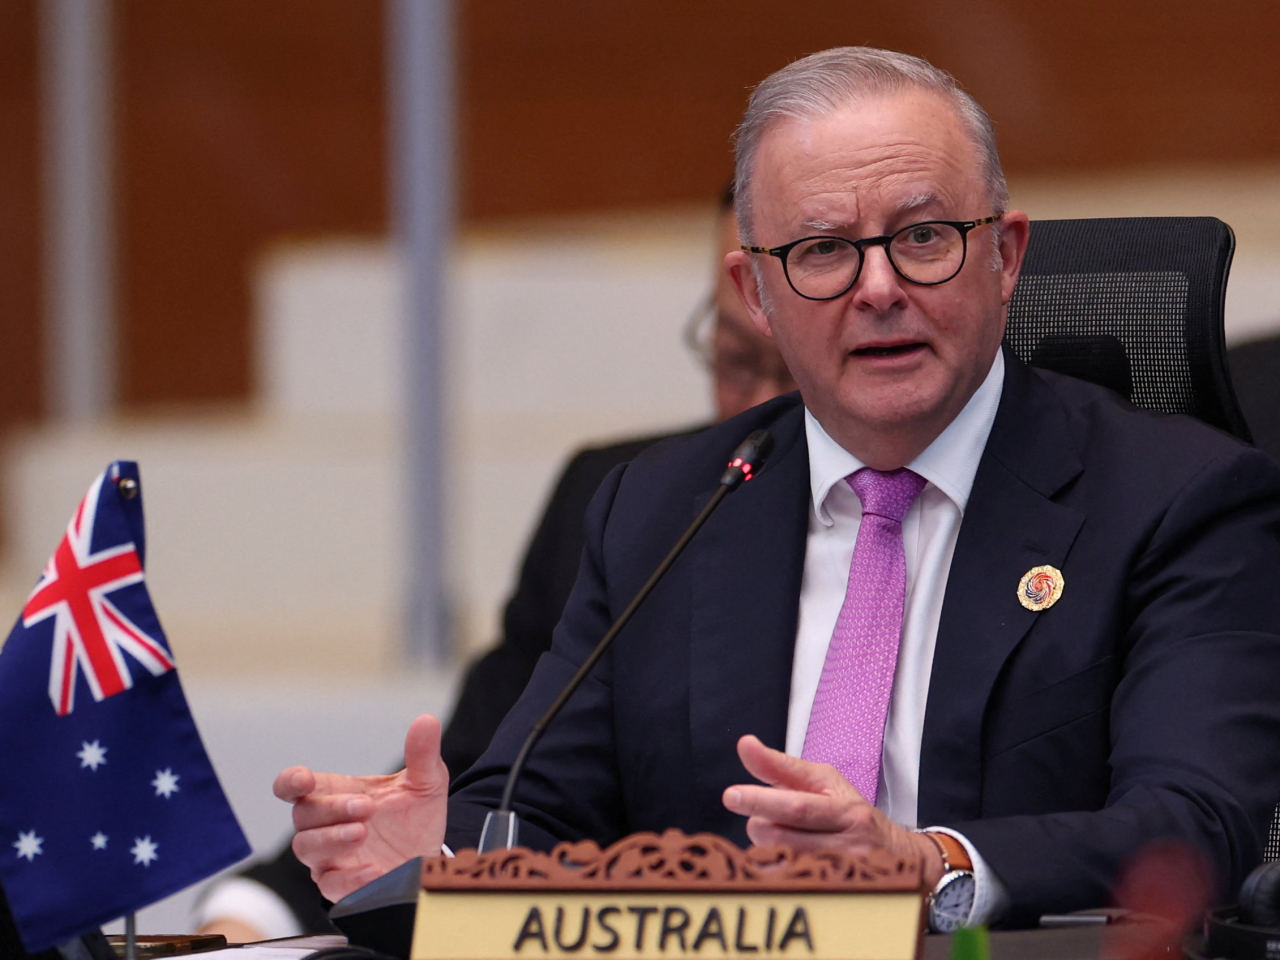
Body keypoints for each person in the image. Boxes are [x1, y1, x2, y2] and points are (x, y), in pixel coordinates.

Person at [275, 48, 1280, 931]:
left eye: (922, 238)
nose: (877, 287)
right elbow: (535, 806)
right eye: (821, 252)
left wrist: (928, 866)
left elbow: (1194, 822)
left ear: (1003, 254)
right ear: (755, 294)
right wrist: (439, 862)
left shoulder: (1175, 500)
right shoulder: (663, 509)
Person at [195, 189, 795, 941]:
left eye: (794, 371)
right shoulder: (626, 504)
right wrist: (259, 912)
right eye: (737, 362)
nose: (765, 406)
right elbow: (485, 764)